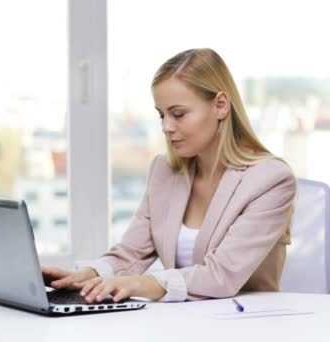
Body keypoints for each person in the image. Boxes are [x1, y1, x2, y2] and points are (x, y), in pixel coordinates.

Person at [42, 48, 296, 302]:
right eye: (162, 115)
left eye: (178, 114)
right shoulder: (164, 171)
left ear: (220, 105)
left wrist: (137, 283)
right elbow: (132, 252)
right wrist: (89, 275)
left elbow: (221, 276)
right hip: (181, 322)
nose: (166, 127)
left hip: (246, 324)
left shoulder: (270, 180)